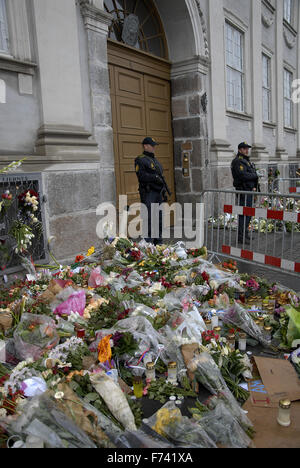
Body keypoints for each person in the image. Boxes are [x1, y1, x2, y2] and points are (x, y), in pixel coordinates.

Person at [134, 137, 168, 245]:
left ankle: (158, 241)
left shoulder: (154, 160)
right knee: (148, 218)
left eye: (154, 146)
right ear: (145, 146)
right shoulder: (140, 159)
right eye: (152, 145)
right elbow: (141, 176)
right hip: (148, 193)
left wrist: (163, 191)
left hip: (157, 193)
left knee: (158, 218)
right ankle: (147, 242)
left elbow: (161, 177)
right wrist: (154, 178)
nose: (154, 148)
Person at [231, 142, 259, 245]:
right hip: (244, 191)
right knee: (244, 214)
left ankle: (245, 234)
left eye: (247, 148)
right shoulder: (238, 161)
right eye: (244, 148)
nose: (247, 150)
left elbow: (249, 173)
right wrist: (255, 175)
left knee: (248, 213)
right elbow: (243, 175)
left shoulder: (245, 161)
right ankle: (241, 237)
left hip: (249, 190)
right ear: (239, 150)